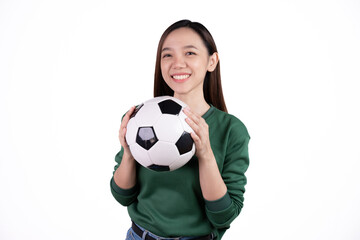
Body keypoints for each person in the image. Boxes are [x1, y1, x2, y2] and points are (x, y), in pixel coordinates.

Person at [110, 19, 250, 240]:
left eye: (190, 53)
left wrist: (205, 155)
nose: (177, 63)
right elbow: (122, 196)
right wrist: (128, 153)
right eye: (168, 55)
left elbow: (223, 216)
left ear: (211, 61)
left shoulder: (232, 130)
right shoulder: (139, 118)